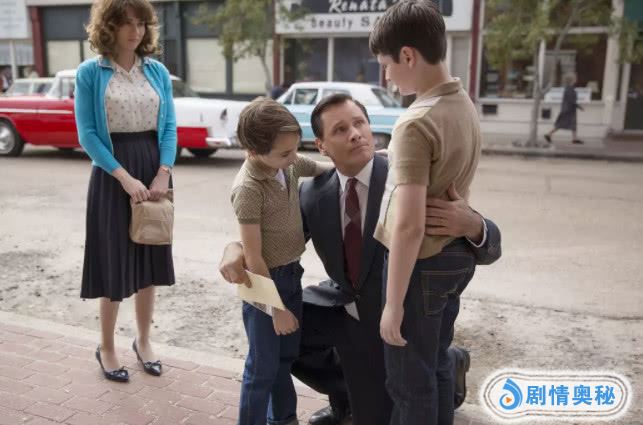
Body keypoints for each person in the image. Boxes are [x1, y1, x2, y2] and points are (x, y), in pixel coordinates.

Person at [220, 93, 502, 425]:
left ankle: (448, 362)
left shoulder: (407, 180)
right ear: (321, 145)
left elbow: (488, 247)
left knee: (402, 402)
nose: (355, 134)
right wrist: (234, 248)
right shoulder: (311, 192)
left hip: (398, 311)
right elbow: (276, 241)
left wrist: (474, 225)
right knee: (282, 336)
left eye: (359, 123)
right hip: (345, 305)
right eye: (340, 129)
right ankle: (349, 395)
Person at [369, 1, 485, 424]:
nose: (386, 76)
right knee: (436, 366)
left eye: (386, 66)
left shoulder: (415, 121)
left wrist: (392, 304)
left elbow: (408, 226)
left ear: (407, 56)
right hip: (455, 257)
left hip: (420, 265)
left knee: (408, 384)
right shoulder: (463, 104)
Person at [75, 0, 176, 383]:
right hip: (112, 173)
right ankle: (106, 346)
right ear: (109, 27)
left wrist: (163, 173)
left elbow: (169, 127)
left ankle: (144, 341)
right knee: (113, 261)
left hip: (153, 168)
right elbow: (87, 134)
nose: (135, 31)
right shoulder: (90, 72)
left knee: (150, 257)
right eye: (126, 23)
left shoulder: (157, 71)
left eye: (141, 23)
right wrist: (125, 178)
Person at [230, 99, 332, 425]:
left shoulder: (286, 165)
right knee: (262, 366)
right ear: (253, 151)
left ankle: (284, 419)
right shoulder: (248, 189)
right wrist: (276, 309)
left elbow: (321, 168)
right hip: (263, 284)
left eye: (294, 149)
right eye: (285, 153)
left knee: (285, 358)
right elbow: (253, 258)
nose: (293, 157)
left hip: (291, 275)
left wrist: (365, 159)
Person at [544, 72, 584, 145]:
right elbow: (572, 101)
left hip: (568, 109)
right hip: (568, 110)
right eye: (575, 78)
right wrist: (579, 107)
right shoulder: (570, 90)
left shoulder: (569, 89)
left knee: (572, 124)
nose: (576, 79)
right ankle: (548, 134)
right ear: (572, 80)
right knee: (561, 124)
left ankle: (574, 139)